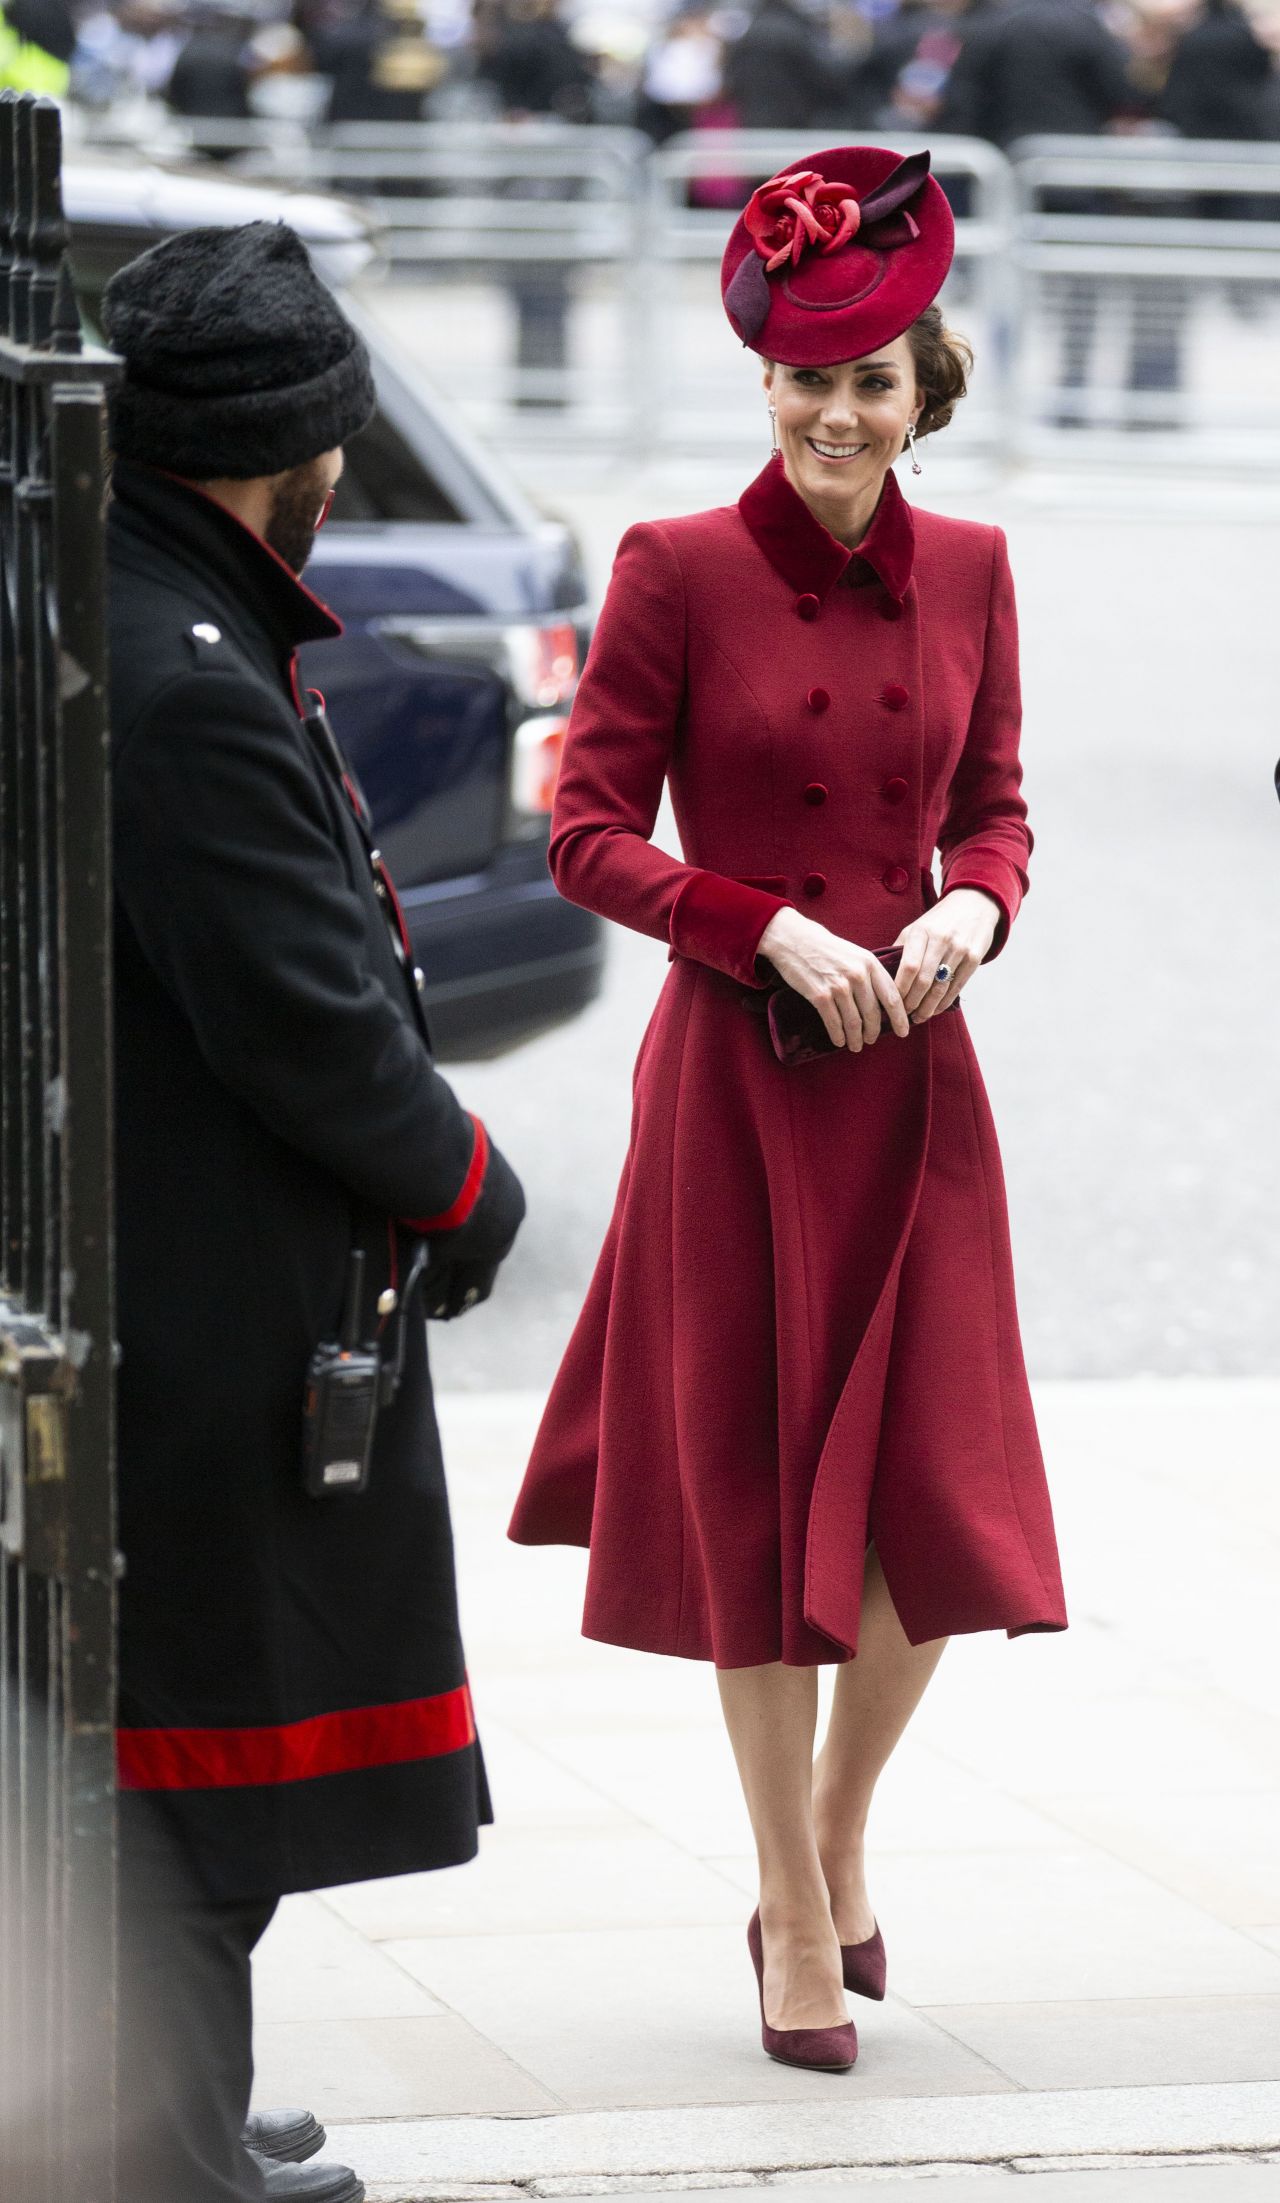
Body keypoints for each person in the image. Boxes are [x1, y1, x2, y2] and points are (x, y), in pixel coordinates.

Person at [509, 144, 1067, 2071]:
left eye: (874, 385)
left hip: (919, 1084)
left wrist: (977, 906)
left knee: (928, 1505)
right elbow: (580, 835)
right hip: (737, 1094)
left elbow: (995, 803)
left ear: (928, 394)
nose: (839, 416)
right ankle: (792, 1904)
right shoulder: (671, 567)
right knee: (754, 1509)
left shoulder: (981, 571)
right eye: (807, 384)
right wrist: (757, 934)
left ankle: (827, 1844)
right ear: (764, 384)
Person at [103, 220, 525, 2203]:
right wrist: (464, 1176)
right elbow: (307, 1015)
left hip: (184, 1260)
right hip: (208, 1291)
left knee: (202, 1747)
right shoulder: (179, 672)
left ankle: (181, 2099)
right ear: (292, 455)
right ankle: (160, 2145)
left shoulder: (147, 593)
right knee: (198, 1765)